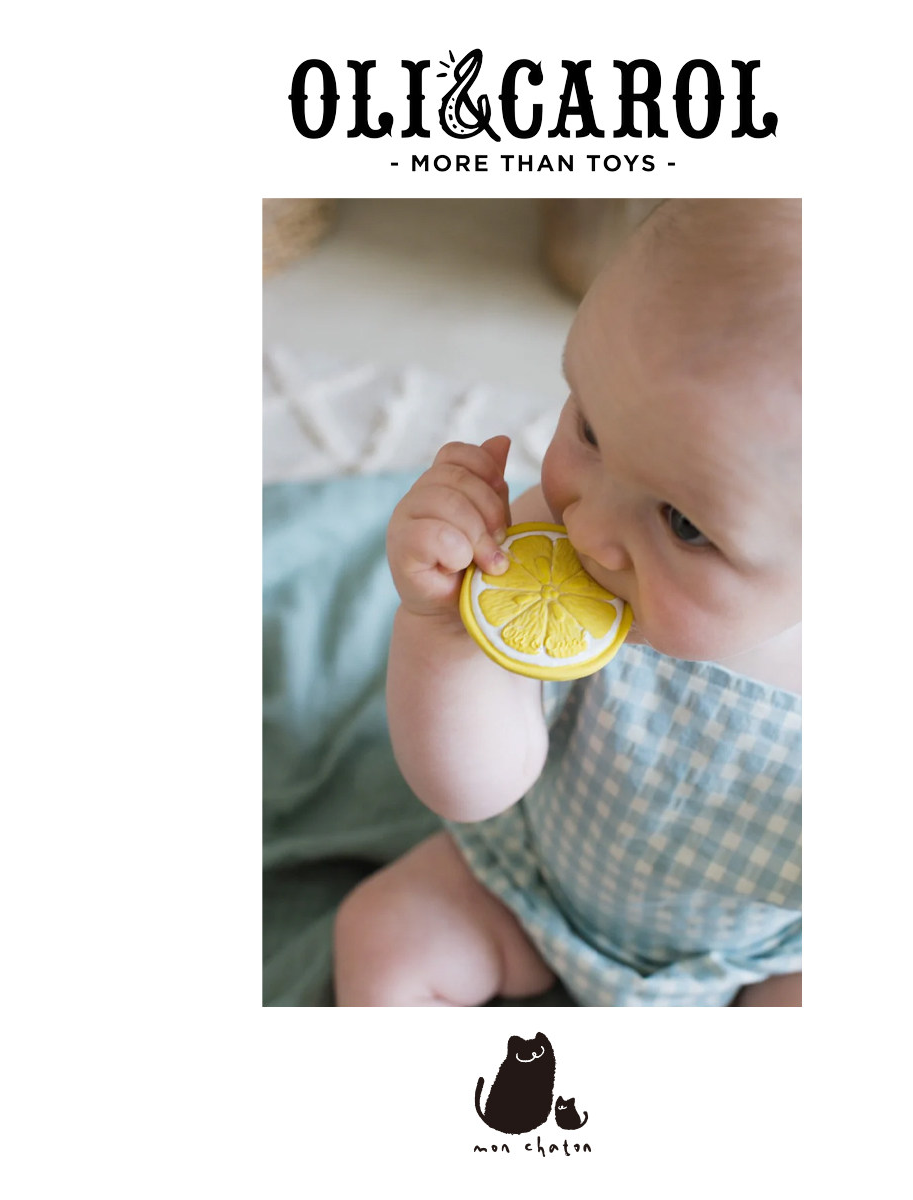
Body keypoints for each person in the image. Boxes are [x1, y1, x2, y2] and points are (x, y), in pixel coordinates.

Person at [334, 199, 802, 1006]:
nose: (586, 528)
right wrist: (446, 632)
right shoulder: (541, 547)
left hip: (754, 960)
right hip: (528, 886)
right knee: (383, 935)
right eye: (589, 430)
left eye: (685, 524)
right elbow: (475, 788)